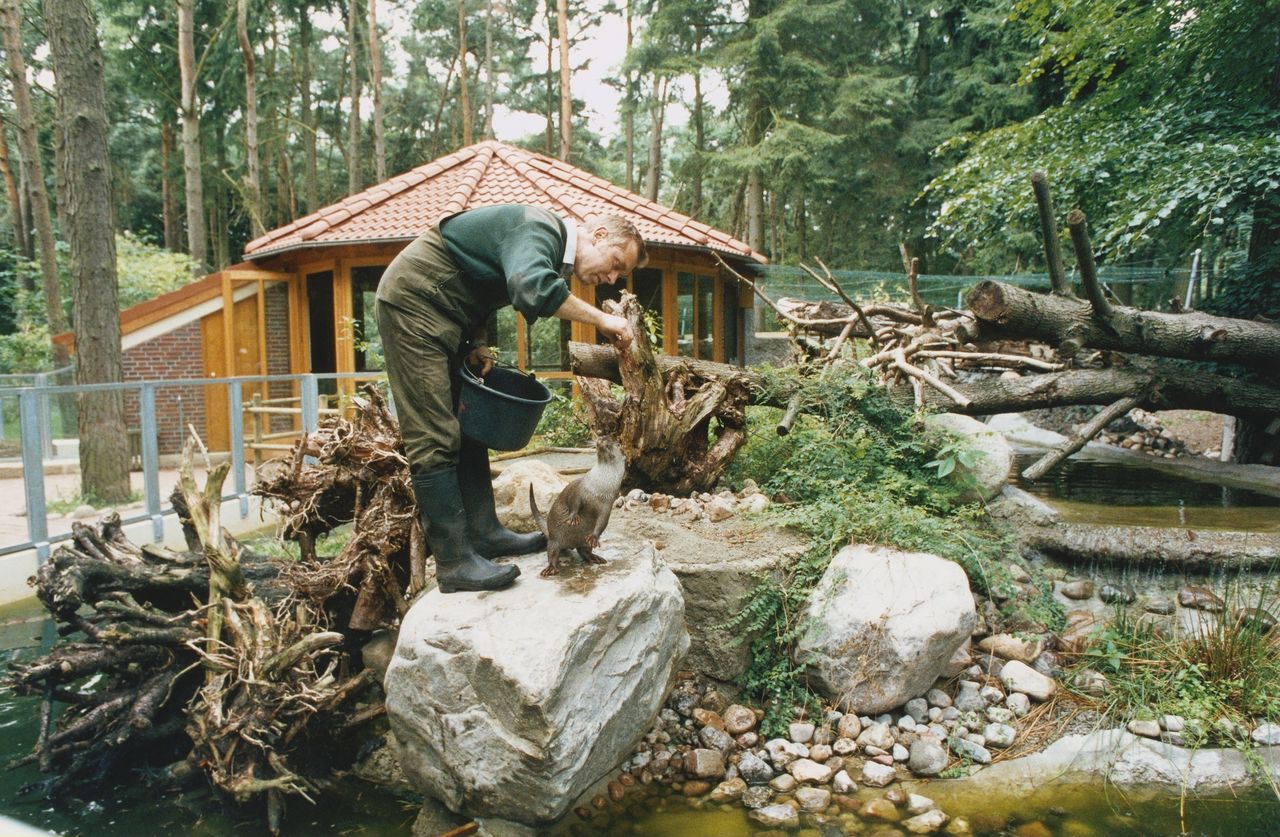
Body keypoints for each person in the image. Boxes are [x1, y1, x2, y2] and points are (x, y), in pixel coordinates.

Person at [376, 204, 646, 593]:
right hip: (414, 307)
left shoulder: (544, 242)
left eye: (621, 274)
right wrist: (603, 320)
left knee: (467, 425)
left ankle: (485, 533)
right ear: (598, 234)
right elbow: (529, 286)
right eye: (616, 263)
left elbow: (480, 283)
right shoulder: (538, 229)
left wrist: (479, 342)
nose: (613, 277)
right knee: (433, 435)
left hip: (448, 316)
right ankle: (453, 563)